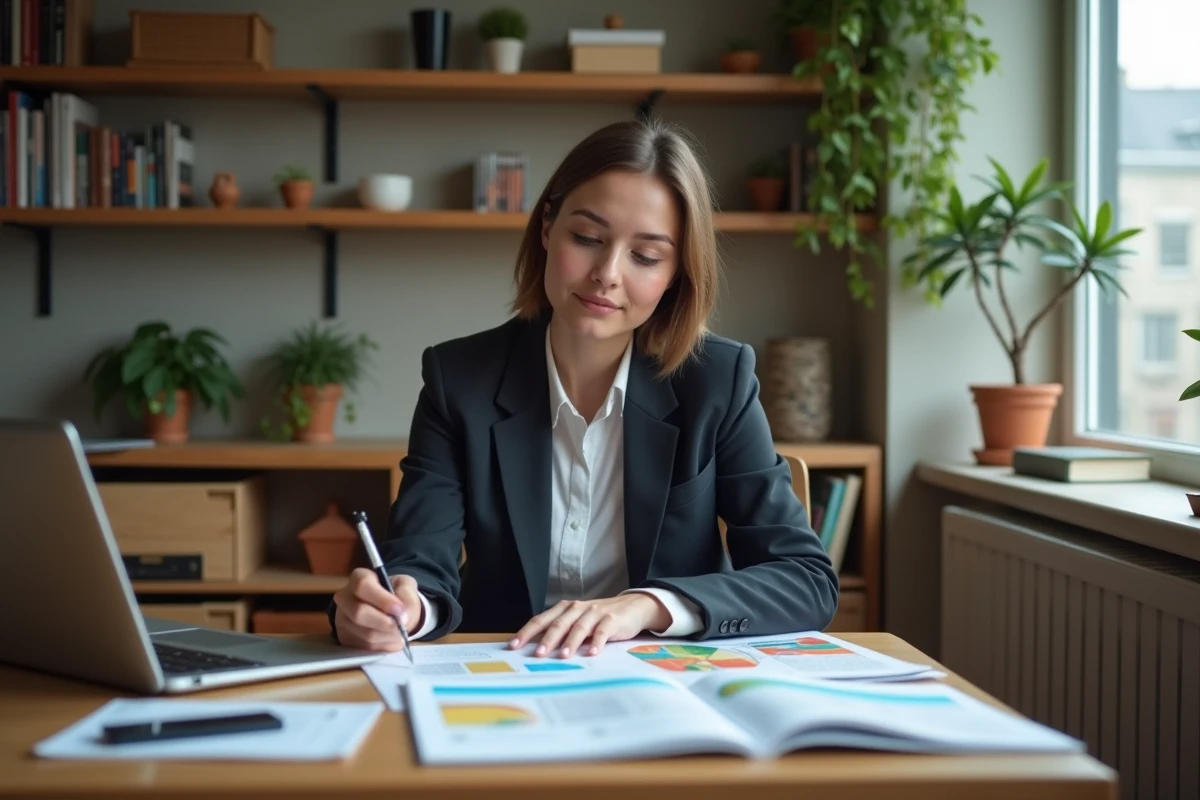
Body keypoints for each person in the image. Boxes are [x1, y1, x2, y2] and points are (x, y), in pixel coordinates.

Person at [329, 118, 838, 659]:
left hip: (663, 676)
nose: (607, 273)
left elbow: (805, 579)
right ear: (547, 228)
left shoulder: (717, 380)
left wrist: (646, 606)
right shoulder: (459, 379)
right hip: (506, 670)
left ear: (677, 273)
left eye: (646, 256)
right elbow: (419, 561)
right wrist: (404, 610)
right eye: (588, 239)